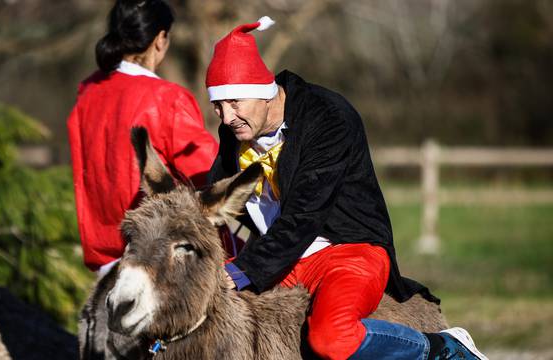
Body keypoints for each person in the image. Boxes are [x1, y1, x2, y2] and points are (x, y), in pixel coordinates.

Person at [206, 16, 488, 360]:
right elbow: (216, 193)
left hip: (350, 250)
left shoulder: (328, 117)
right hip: (285, 256)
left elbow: (303, 217)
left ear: (263, 93)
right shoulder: (235, 129)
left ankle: (442, 347)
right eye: (218, 106)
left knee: (331, 339)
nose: (226, 117)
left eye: (234, 103)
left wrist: (241, 271)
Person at [67, 0, 217, 275]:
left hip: (103, 262)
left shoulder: (87, 93)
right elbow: (210, 175)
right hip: (158, 262)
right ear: (160, 39)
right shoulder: (167, 99)